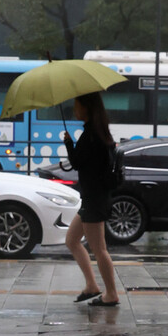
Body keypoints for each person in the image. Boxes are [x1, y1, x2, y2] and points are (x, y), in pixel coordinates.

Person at [63, 94, 119, 307]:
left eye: (77, 105)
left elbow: (77, 162)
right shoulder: (98, 131)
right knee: (71, 240)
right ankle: (92, 286)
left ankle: (111, 293)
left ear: (86, 108)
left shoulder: (91, 135)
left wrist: (68, 143)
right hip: (94, 197)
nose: (75, 109)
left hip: (94, 199)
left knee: (99, 249)